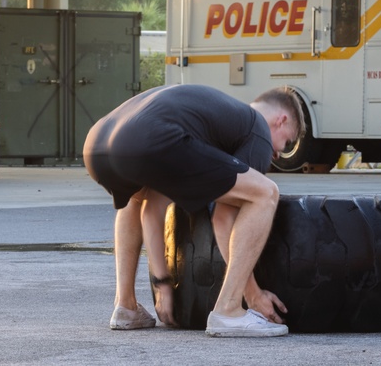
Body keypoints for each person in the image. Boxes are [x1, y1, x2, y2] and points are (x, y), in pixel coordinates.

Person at [82, 83, 305, 337]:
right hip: (150, 138)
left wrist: (162, 282)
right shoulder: (257, 127)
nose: (277, 154)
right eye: (286, 143)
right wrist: (253, 295)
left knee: (135, 198)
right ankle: (229, 309)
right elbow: (223, 218)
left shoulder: (214, 115)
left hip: (98, 144)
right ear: (281, 120)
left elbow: (150, 209)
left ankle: (126, 306)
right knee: (265, 193)